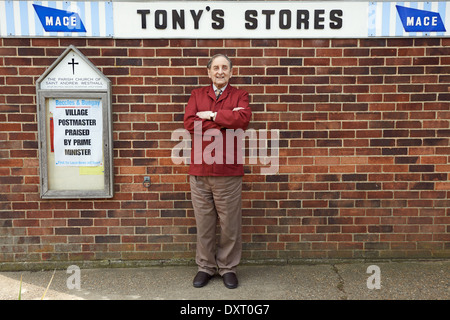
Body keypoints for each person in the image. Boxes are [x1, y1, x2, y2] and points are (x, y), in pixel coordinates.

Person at [183, 54, 252, 289]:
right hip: (200, 170)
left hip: (228, 170)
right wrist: (225, 121)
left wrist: (211, 115)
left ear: (231, 72)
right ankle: (205, 267)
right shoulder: (197, 95)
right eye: (216, 68)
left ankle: (228, 268)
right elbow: (190, 123)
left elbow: (242, 119)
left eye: (224, 68)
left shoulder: (240, 95)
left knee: (230, 224)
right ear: (208, 72)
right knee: (204, 223)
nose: (220, 71)